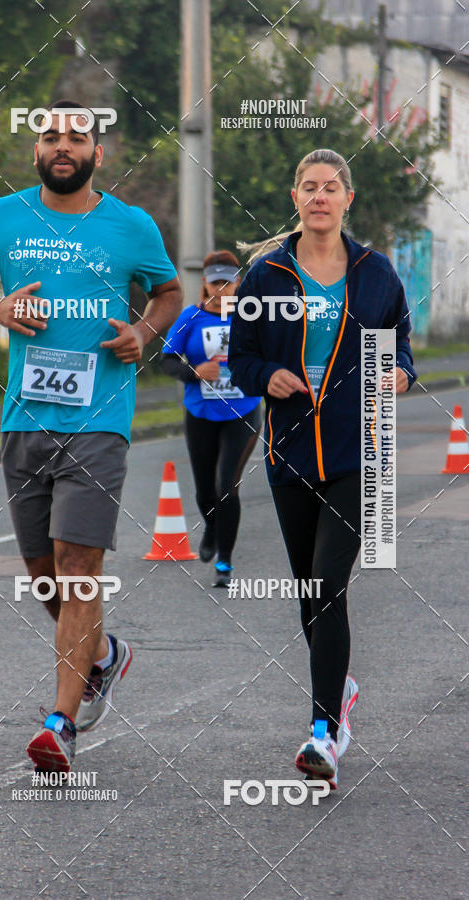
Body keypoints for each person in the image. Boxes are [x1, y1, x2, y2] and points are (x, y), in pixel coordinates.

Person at [0, 99, 182, 772]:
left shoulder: (130, 226)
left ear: (97, 153)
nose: (62, 146)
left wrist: (144, 332)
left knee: (79, 568)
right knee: (44, 576)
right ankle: (103, 656)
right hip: (25, 420)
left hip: (99, 421)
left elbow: (168, 293)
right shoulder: (1, 217)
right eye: (50, 136)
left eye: (76, 138)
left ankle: (61, 723)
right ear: (36, 150)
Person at [228, 148, 416, 789]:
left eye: (330, 187)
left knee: (329, 583)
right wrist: (265, 375)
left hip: (358, 447)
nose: (319, 197)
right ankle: (341, 688)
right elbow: (239, 357)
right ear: (295, 197)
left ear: (347, 200)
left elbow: (400, 345)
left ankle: (323, 733)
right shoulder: (266, 275)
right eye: (309, 187)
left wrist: (399, 373)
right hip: (289, 451)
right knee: (310, 590)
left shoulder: (375, 273)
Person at [161, 251, 261, 587]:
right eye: (215, 282)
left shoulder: (252, 316)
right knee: (205, 492)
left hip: (243, 412)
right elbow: (167, 360)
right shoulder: (190, 317)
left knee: (226, 487)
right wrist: (193, 372)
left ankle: (225, 562)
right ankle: (212, 527)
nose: (221, 289)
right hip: (200, 412)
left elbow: (274, 355)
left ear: (238, 283)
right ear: (204, 283)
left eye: (227, 283)